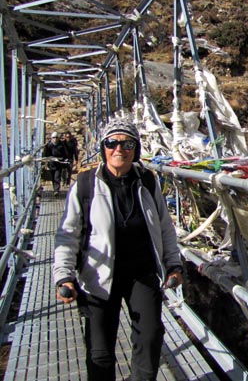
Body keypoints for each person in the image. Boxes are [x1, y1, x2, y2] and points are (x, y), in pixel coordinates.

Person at [52, 118, 183, 381]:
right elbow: (68, 234)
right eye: (111, 143)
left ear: (136, 148)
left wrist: (174, 264)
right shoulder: (86, 184)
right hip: (98, 276)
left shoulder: (147, 180)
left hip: (142, 272)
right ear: (103, 147)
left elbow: (164, 226)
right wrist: (63, 275)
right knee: (99, 352)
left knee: (150, 337)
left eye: (127, 143)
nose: (119, 149)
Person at [44, 131, 69, 196]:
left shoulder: (61, 145)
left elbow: (65, 153)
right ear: (51, 138)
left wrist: (64, 159)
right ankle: (55, 188)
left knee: (57, 176)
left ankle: (56, 190)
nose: (55, 139)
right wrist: (47, 160)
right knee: (53, 177)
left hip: (58, 163)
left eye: (56, 137)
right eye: (54, 138)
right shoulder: (49, 145)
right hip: (52, 163)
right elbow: (46, 154)